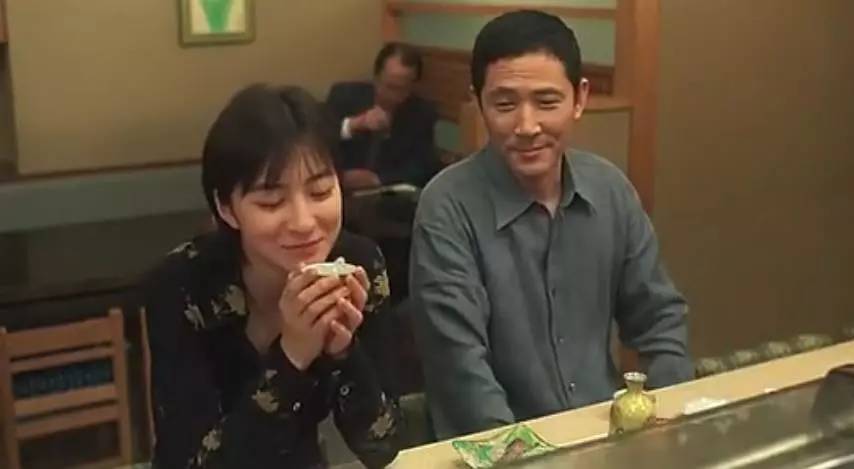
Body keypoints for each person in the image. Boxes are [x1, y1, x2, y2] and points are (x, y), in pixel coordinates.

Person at [410, 10, 694, 440]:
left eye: (547, 102)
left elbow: (660, 317)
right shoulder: (446, 206)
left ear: (579, 98)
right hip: (499, 451)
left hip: (605, 439)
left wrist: (667, 421)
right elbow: (461, 372)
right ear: (478, 101)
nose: (527, 127)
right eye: (505, 104)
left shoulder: (609, 189)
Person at [143, 84, 401, 468]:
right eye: (271, 202)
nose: (303, 223)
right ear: (226, 208)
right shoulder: (182, 286)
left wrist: (343, 352)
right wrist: (292, 355)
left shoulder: (359, 263)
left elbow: (382, 447)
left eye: (320, 192)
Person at [326, 43, 440, 191]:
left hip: (386, 193)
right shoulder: (344, 96)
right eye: (390, 86)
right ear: (376, 78)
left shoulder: (422, 113)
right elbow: (318, 139)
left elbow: (423, 167)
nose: (395, 96)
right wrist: (354, 124)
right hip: (340, 190)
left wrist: (378, 179)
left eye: (403, 89)